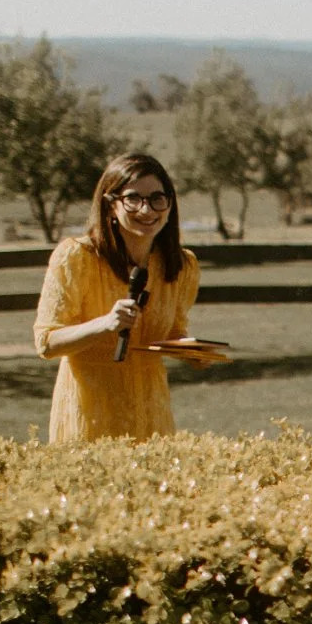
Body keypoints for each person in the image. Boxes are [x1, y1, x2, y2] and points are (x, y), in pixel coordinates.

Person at [32, 153, 204, 442]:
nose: (147, 210)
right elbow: (46, 343)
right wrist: (105, 324)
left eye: (157, 199)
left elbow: (173, 332)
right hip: (89, 418)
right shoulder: (76, 257)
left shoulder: (181, 265)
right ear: (110, 205)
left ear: (170, 205)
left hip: (151, 417)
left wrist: (194, 352)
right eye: (133, 199)